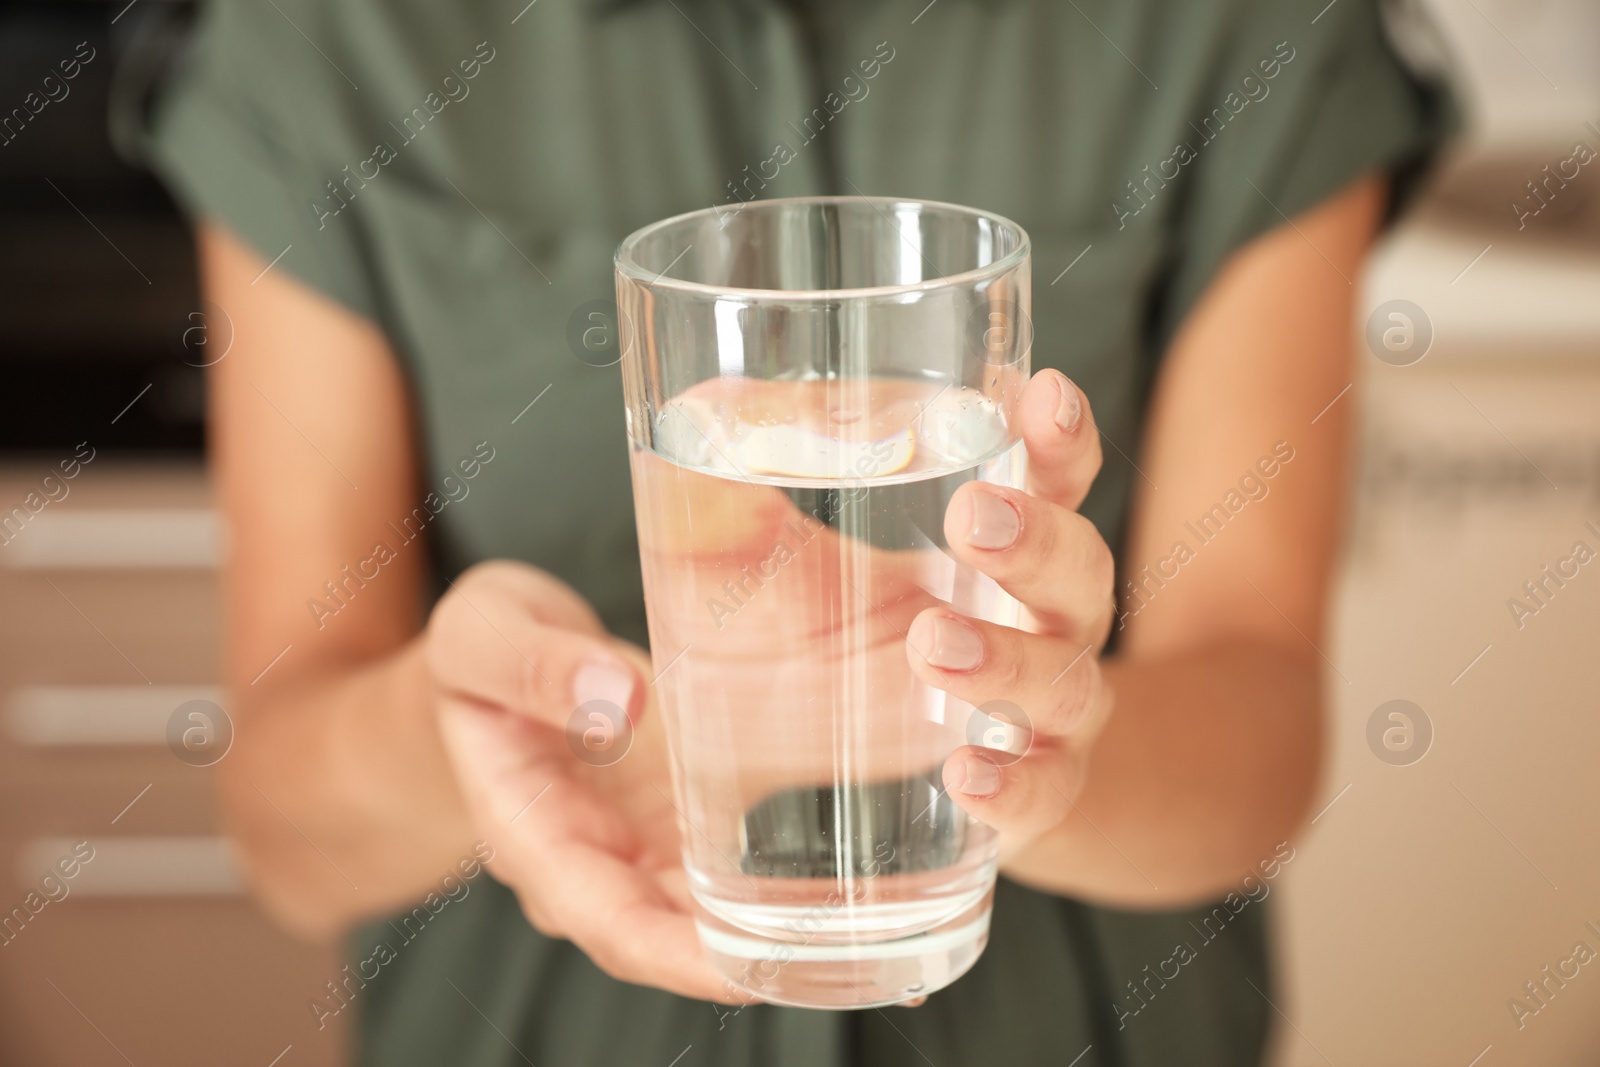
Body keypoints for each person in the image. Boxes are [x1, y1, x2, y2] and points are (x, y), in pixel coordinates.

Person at [143, 0, 1447, 1062]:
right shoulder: (325, 37)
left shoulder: (1245, 26)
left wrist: (1048, 756)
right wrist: (485, 730)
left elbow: (1263, 729)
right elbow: (283, 823)